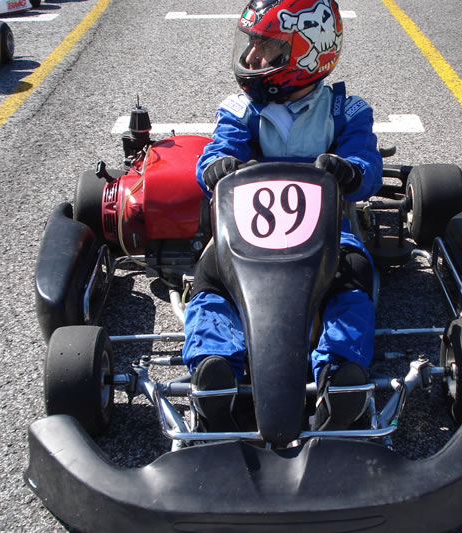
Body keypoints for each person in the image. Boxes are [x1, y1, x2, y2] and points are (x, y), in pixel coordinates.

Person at [182, 0, 382, 432]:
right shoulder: (240, 110)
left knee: (354, 274)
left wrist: (349, 170)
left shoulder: (345, 112)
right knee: (210, 277)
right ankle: (215, 369)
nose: (252, 56)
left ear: (308, 51)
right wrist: (216, 166)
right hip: (245, 237)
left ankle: (339, 374)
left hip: (327, 238)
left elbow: (367, 168)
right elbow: (217, 153)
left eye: (266, 45)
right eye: (251, 42)